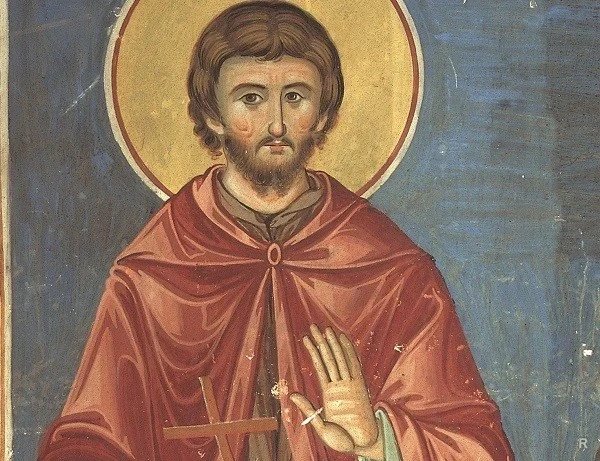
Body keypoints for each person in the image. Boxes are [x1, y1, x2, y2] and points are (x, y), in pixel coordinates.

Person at [38, 1, 515, 460]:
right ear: (212, 114)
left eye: (295, 96)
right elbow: (91, 439)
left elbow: (477, 447)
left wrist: (378, 439)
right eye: (251, 98)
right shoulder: (153, 271)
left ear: (323, 113)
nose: (277, 124)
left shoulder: (392, 270)